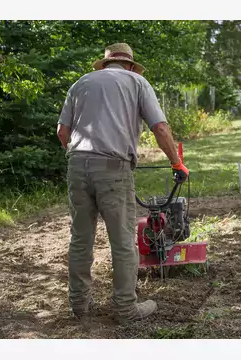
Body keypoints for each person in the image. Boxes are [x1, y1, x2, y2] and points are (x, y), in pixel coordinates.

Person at [56, 43, 189, 324]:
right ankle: (125, 308)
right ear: (129, 65)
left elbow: (62, 131)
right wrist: (177, 163)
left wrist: (81, 157)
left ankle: (79, 306)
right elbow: (161, 128)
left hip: (77, 165)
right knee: (123, 241)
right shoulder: (137, 82)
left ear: (106, 64)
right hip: (113, 168)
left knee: (80, 239)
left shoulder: (80, 84)